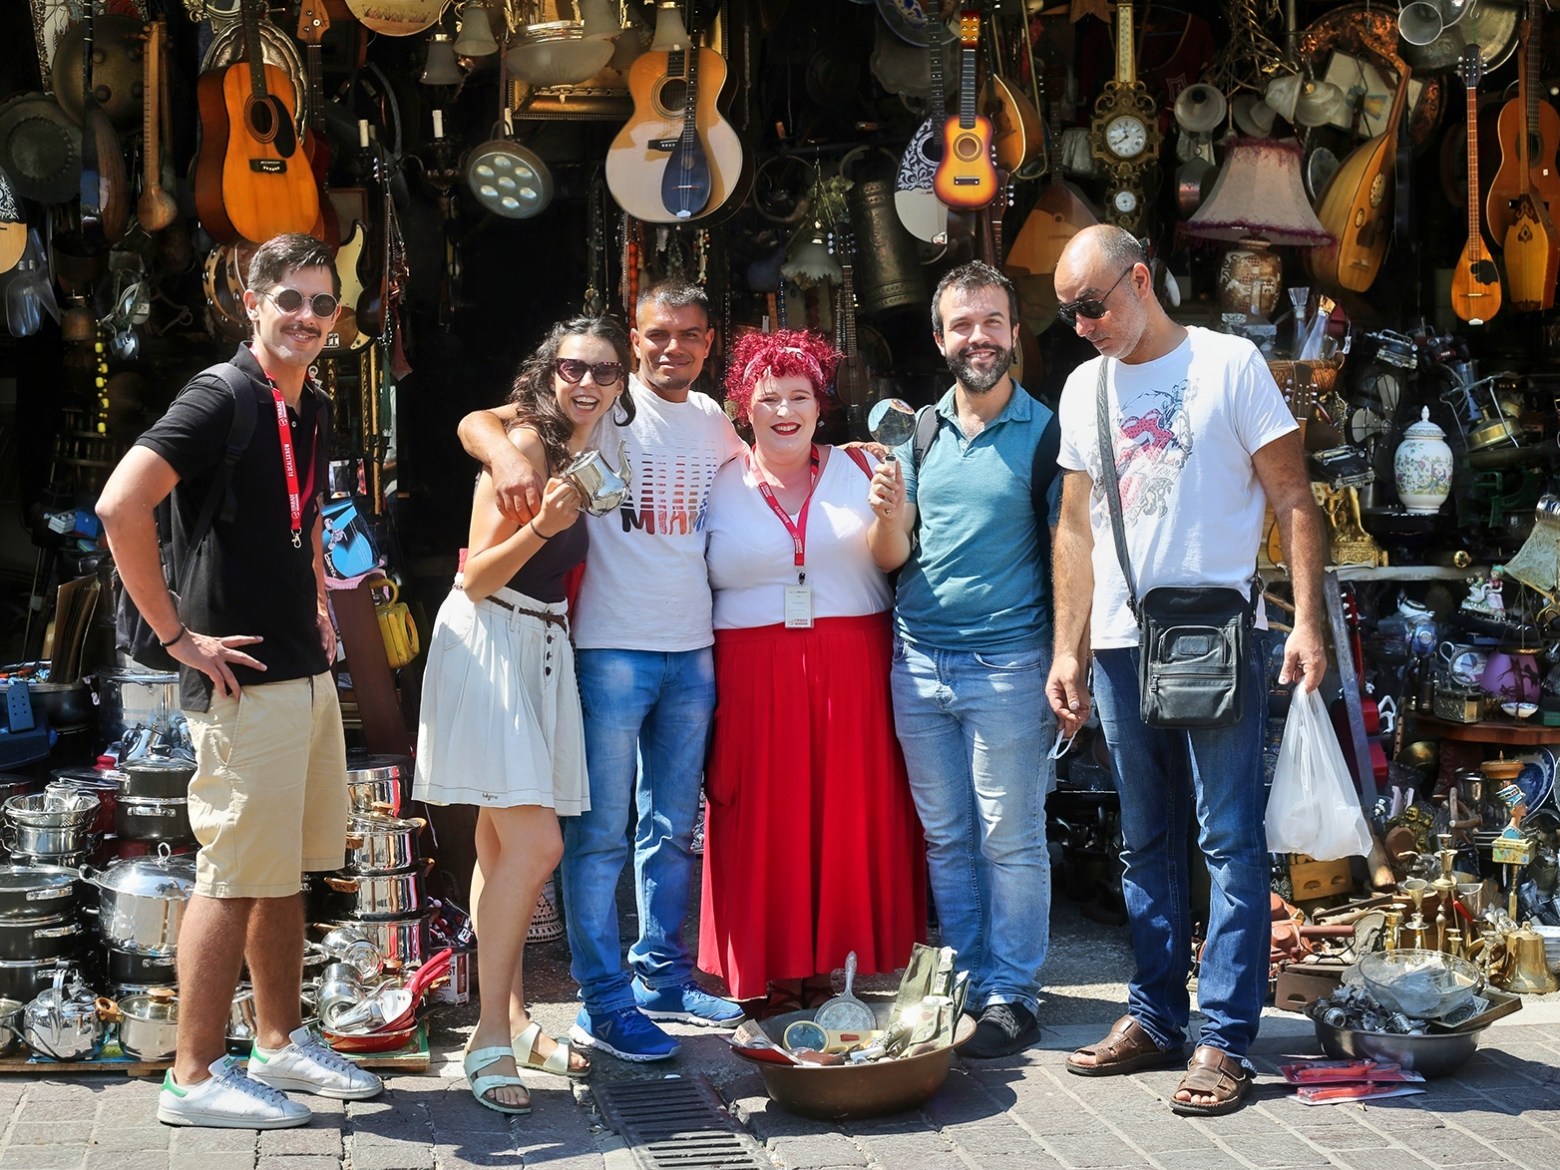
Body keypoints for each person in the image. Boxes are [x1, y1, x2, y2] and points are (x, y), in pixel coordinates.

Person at [96, 233, 381, 1128]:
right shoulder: (221, 395)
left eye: (321, 304)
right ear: (250, 304)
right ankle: (192, 1075)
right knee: (231, 874)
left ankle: (280, 1043)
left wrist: (319, 609)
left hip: (298, 667)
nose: (305, 317)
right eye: (288, 300)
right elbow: (119, 503)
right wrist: (174, 635)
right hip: (238, 680)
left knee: (284, 871)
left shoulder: (312, 403)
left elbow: (291, 524)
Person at [1045, 225, 1326, 1116]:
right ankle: (1157, 1016)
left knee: (1227, 839)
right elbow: (1076, 529)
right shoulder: (1085, 384)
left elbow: (1294, 497)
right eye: (1067, 313)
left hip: (1215, 633)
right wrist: (1069, 647)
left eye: (1091, 305)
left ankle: (1225, 1038)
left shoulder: (1229, 364)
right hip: (1126, 644)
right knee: (1146, 838)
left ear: (1139, 279)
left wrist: (1308, 621)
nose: (1081, 325)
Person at [457, 281, 745, 1062]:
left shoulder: (716, 421)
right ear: (635, 344)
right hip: (607, 649)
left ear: (708, 342)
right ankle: (604, 1002)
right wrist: (506, 449)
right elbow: (480, 421)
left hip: (693, 650)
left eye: (689, 334)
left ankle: (661, 975)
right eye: (656, 335)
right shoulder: (604, 413)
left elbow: (768, 475)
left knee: (673, 831)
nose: (671, 348)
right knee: (598, 838)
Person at [416, 317, 632, 1111]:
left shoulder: (572, 447)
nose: (587, 383)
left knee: (499, 842)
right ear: (548, 372)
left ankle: (507, 1014)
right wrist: (543, 519)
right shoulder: (531, 446)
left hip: (539, 643)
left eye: (605, 373)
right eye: (574, 367)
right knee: (537, 843)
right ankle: (487, 1040)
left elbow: (477, 422)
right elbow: (476, 579)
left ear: (621, 385)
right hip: (494, 633)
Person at [866, 260, 1061, 1059]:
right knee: (947, 838)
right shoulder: (915, 431)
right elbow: (890, 556)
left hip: (1010, 664)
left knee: (1009, 837)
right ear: (939, 336)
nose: (978, 337)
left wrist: (1068, 657)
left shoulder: (1049, 432)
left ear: (1015, 332)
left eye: (992, 322)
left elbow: (1067, 551)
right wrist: (888, 513)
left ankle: (1013, 992)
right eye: (962, 324)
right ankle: (968, 978)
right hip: (917, 663)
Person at [699, 329, 925, 1012]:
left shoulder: (863, 468)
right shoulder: (719, 481)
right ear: (745, 406)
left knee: (844, 811)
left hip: (850, 663)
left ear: (821, 404)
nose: (785, 411)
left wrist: (891, 517)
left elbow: (891, 558)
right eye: (769, 397)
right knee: (763, 815)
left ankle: (834, 966)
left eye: (799, 395)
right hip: (750, 669)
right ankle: (768, 970)